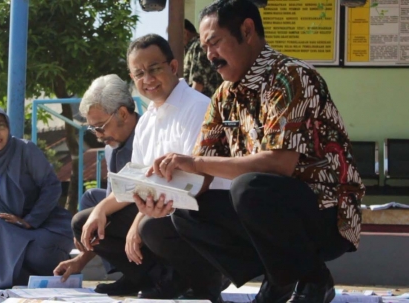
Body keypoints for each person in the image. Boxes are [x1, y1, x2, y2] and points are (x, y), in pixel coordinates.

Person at [140, 1, 366, 303]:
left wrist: (194, 162)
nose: (210, 56)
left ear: (247, 31)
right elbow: (201, 175)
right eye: (205, 47)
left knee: (250, 186)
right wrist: (166, 196)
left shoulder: (291, 77)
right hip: (270, 213)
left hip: (325, 215)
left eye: (215, 43)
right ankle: (281, 277)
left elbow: (279, 165)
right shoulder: (223, 96)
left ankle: (312, 278)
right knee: (186, 213)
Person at [70, 34, 227, 302]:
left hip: (206, 209)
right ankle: (159, 280)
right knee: (86, 222)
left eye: (154, 69)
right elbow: (137, 180)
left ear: (173, 67)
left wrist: (139, 220)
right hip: (164, 207)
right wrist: (100, 210)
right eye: (139, 73)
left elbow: (193, 182)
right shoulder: (148, 120)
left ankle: (204, 281)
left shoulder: (198, 107)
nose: (148, 79)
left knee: (150, 226)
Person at [53, 74, 141, 295]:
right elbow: (112, 202)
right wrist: (80, 260)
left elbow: (146, 190)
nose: (99, 136)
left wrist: (99, 213)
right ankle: (131, 274)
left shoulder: (147, 134)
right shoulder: (112, 146)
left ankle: (158, 277)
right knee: (91, 200)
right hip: (130, 207)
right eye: (93, 129)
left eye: (100, 127)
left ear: (122, 113)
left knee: (84, 218)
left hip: (157, 210)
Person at [0, 104, 74, 289]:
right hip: (13, 233)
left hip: (45, 231)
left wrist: (29, 221)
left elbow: (51, 186)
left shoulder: (25, 150)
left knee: (34, 249)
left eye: (0, 125)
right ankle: (4, 288)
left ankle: (16, 282)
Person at [183, 19, 223, 98]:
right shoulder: (194, 47)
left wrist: (190, 106)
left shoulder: (197, 46)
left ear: (185, 33)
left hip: (204, 105)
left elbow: (198, 81)